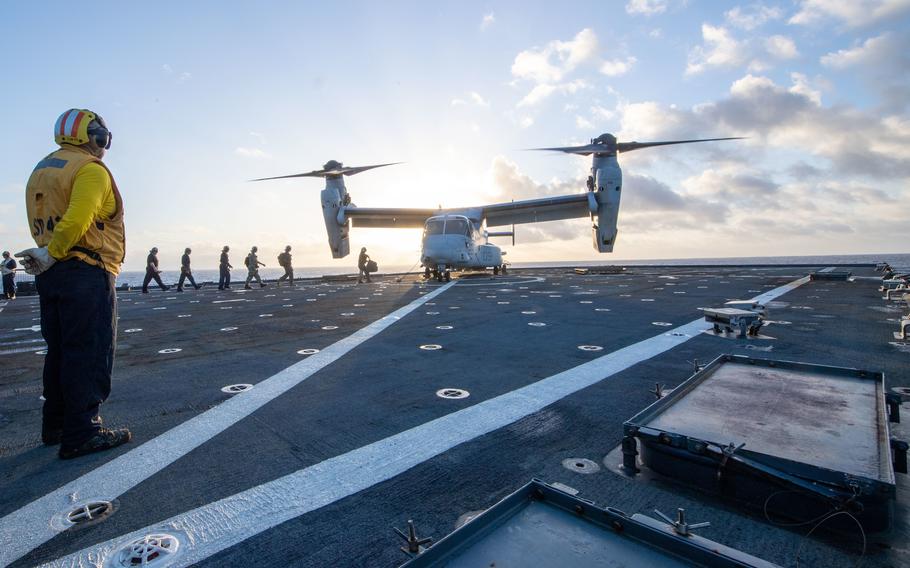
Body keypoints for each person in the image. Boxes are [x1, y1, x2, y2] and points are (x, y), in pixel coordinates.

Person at [16, 108, 131, 459]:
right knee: (89, 350)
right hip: (85, 269)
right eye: (102, 137)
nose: (104, 145)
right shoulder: (90, 170)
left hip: (51, 275)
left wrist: (48, 255)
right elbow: (78, 218)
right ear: (91, 136)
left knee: (61, 351)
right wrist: (56, 250)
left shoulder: (43, 169)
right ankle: (83, 431)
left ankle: (56, 425)